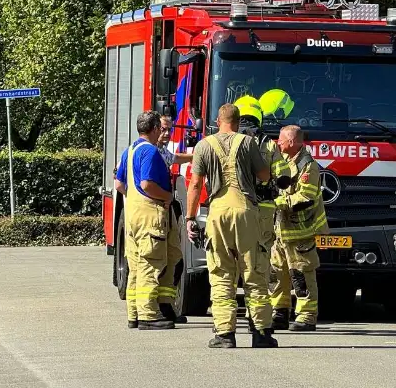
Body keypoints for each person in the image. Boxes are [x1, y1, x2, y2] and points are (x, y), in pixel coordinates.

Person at [185, 104, 277, 349]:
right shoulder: (248, 142)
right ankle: (261, 333)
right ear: (238, 122)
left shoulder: (204, 145)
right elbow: (264, 176)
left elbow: (195, 184)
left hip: (218, 213)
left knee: (221, 274)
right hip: (246, 211)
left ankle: (225, 334)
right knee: (254, 272)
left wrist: (190, 217)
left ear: (218, 121)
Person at [113, 111, 179, 330]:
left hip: (133, 214)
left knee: (135, 266)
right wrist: (167, 196)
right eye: (161, 128)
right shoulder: (150, 151)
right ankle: (149, 315)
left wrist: (135, 199)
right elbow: (147, 184)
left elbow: (119, 184)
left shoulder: (130, 150)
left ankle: (134, 314)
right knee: (151, 264)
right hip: (150, 215)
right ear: (155, 129)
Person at [234, 95, 291, 331]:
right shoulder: (268, 143)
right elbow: (283, 175)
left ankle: (224, 322)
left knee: (230, 263)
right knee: (260, 262)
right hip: (263, 209)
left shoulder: (226, 141)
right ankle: (256, 318)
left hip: (233, 208)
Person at [270, 125, 327, 331]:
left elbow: (305, 197)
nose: (278, 142)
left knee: (302, 274)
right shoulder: (283, 160)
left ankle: (307, 316)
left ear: (292, 142)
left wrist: (277, 203)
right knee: (277, 273)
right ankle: (279, 312)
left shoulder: (308, 166)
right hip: (280, 230)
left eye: (281, 140)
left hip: (300, 231)